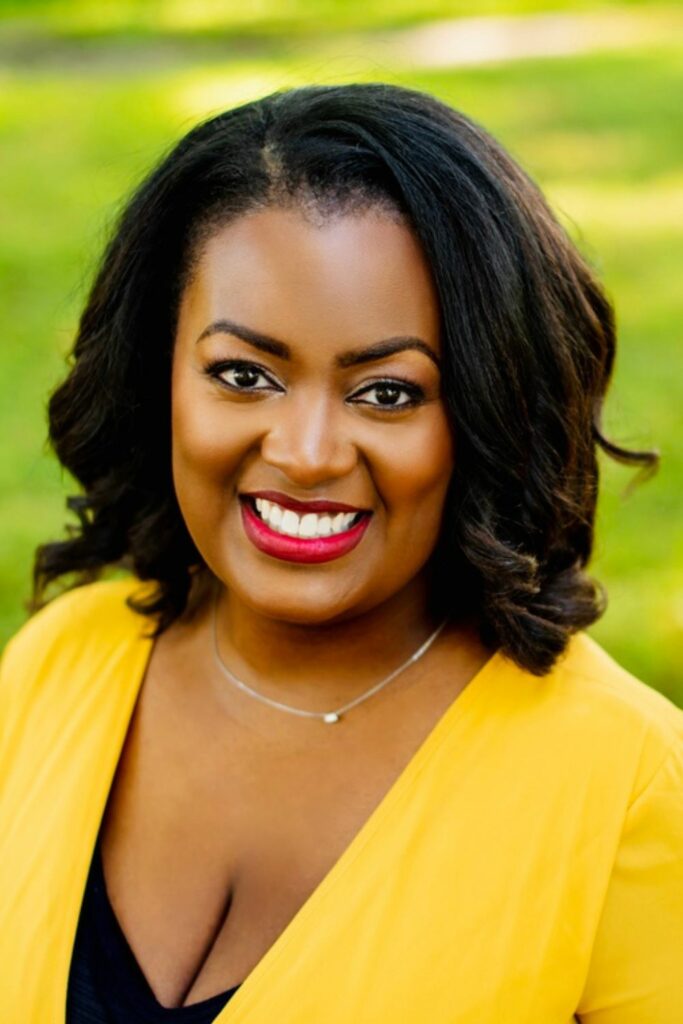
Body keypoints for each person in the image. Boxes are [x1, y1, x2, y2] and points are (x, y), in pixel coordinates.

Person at [0, 82, 681, 1024]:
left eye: (387, 393)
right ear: (158, 374)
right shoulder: (56, 668)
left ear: (488, 412)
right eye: (244, 375)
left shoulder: (629, 786)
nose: (306, 453)